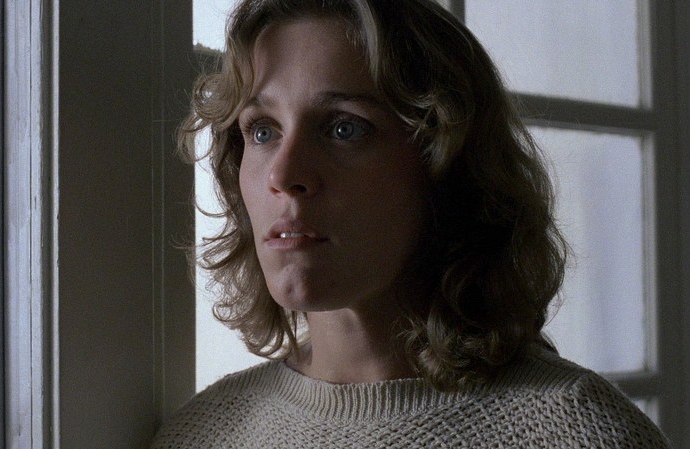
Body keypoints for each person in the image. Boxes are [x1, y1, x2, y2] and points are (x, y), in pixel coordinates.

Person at [152, 0, 672, 447]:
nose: (284, 176)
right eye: (263, 131)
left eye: (343, 128)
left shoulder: (579, 432)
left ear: (445, 164)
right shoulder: (200, 435)